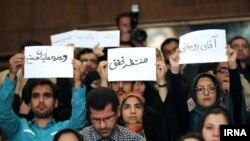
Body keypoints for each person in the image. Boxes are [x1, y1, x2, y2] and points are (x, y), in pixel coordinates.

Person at [0, 54, 86, 141]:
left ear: (55, 102)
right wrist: (12, 75)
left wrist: (78, 83)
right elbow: (3, 111)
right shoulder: (17, 128)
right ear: (29, 104)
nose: (41, 100)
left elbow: (79, 120)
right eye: (36, 96)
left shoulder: (66, 129)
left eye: (47, 95)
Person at [169, 45, 246, 132]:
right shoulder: (188, 119)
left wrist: (232, 65)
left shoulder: (228, 115)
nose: (206, 93)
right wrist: (175, 70)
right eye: (200, 89)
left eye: (211, 88)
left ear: (217, 91)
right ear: (194, 94)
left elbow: (236, 97)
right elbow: (178, 100)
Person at [79, 87, 145, 141]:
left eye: (108, 118)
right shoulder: (80, 139)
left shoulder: (135, 139)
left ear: (118, 112)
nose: (103, 126)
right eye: (96, 120)